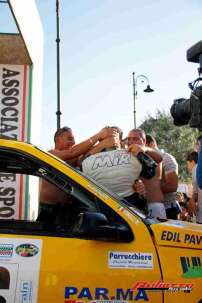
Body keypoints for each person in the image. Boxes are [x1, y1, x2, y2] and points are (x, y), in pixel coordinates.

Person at [38, 126, 117, 228]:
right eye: (70, 139)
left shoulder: (73, 158)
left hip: (66, 211)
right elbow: (73, 152)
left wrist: (104, 144)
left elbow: (85, 156)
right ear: (58, 139)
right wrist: (99, 135)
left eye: (74, 139)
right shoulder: (50, 154)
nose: (73, 142)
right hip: (48, 211)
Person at [82, 127, 154, 213]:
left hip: (101, 212)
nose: (130, 142)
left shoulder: (87, 161)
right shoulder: (134, 156)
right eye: (129, 139)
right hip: (132, 214)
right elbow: (151, 171)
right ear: (119, 140)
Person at [127, 130, 166, 219]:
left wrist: (144, 149)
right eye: (129, 139)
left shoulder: (149, 153)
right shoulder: (127, 155)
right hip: (136, 207)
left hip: (154, 205)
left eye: (135, 139)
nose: (131, 142)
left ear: (144, 141)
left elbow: (159, 158)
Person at [145, 133, 179, 219]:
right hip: (151, 208)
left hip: (168, 209)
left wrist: (149, 188)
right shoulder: (146, 160)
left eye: (144, 146)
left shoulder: (166, 158)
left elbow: (172, 186)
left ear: (151, 144)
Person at [187, 150, 202, 224]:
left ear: (192, 162)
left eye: (188, 164)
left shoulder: (196, 168)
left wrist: (192, 200)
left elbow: (196, 193)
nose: (188, 167)